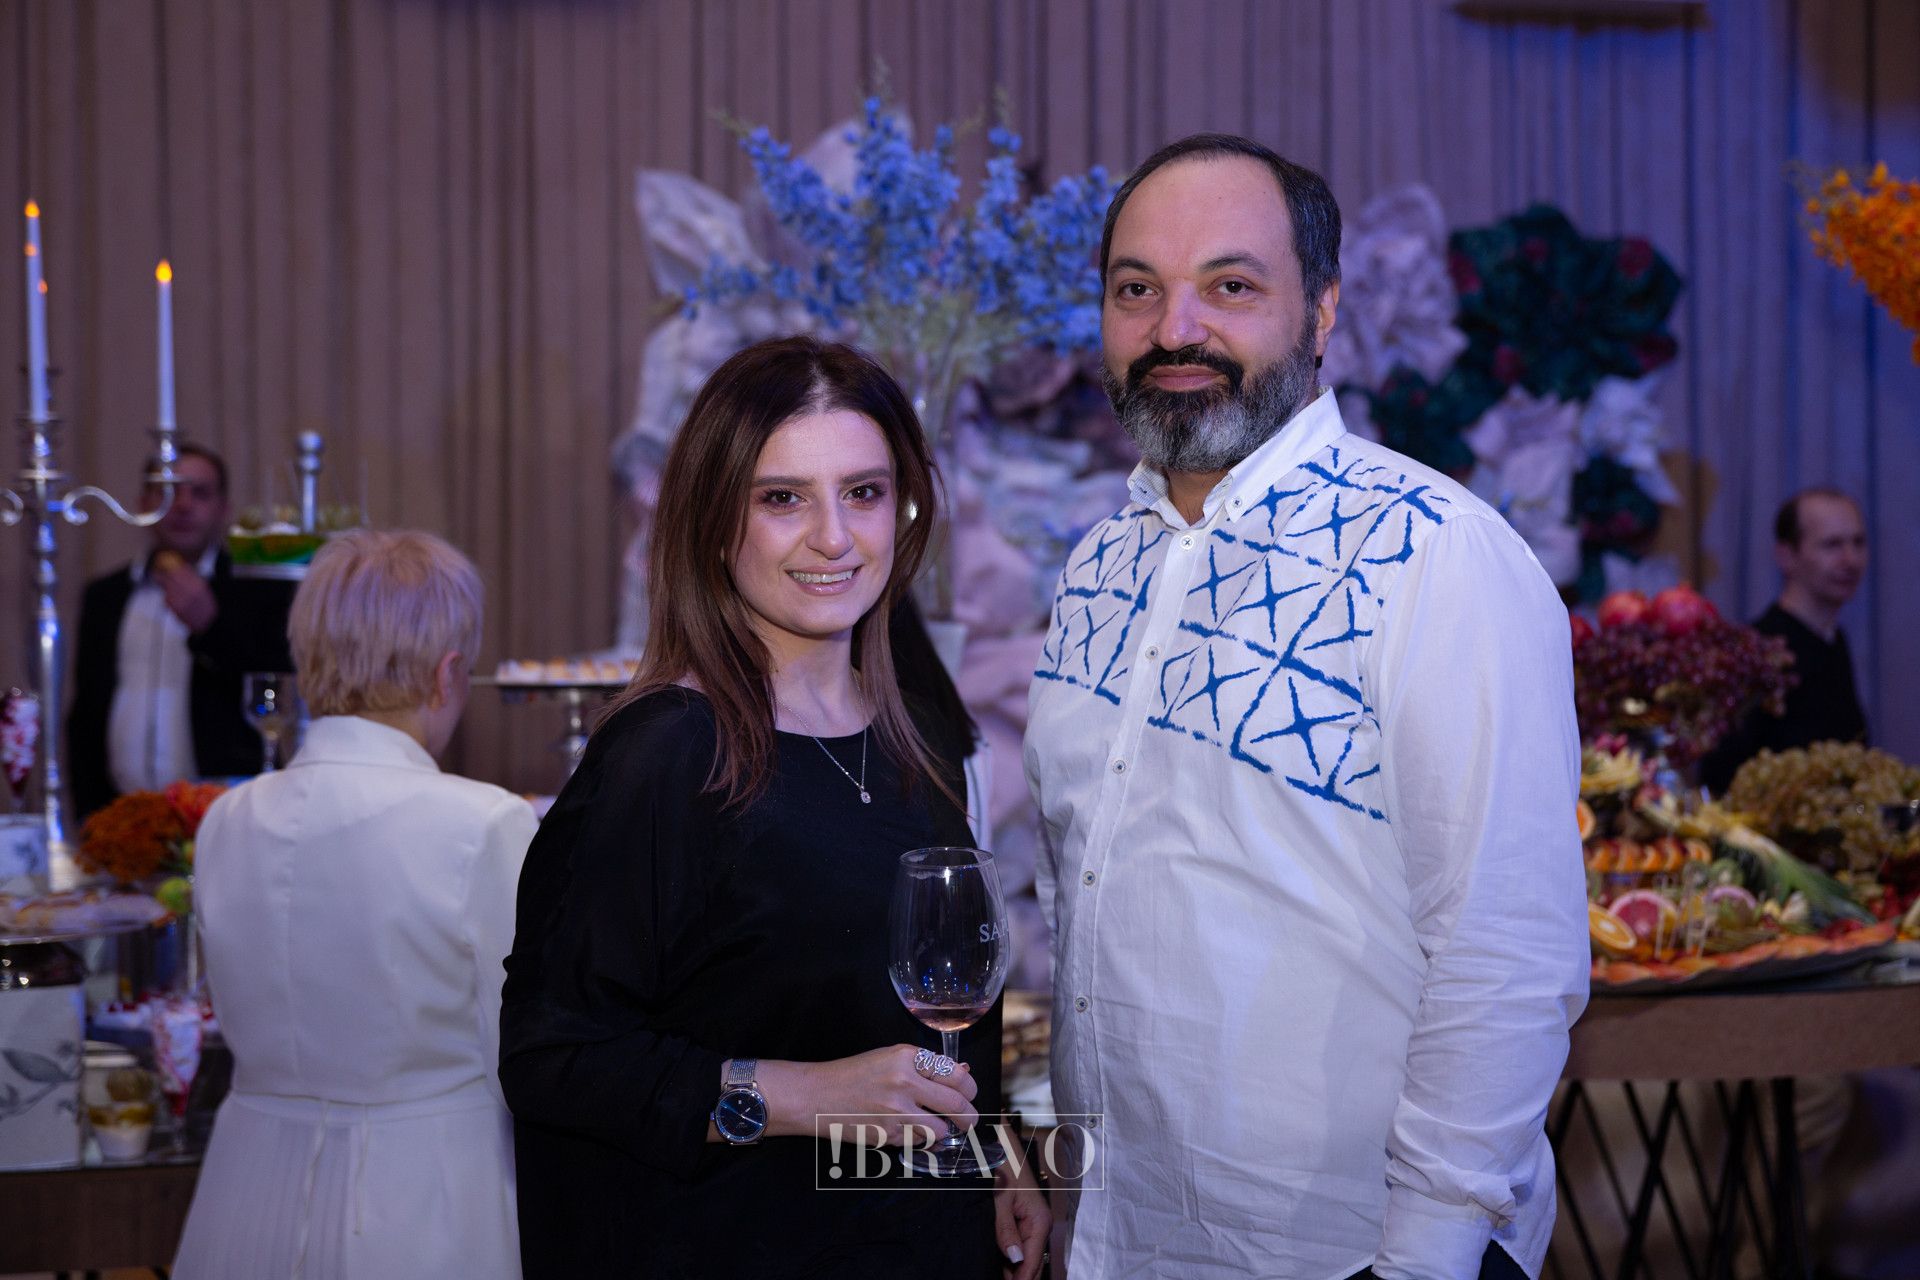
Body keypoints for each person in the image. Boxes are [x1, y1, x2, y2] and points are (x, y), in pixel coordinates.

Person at [1023, 134, 1589, 1280]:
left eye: (1231, 286)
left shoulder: (1433, 554)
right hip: (1127, 1237)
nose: (1175, 329)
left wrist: (1426, 1256)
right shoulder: (1096, 567)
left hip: (1355, 1252)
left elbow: (1506, 951)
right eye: (1137, 289)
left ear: (1323, 310)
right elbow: (1082, 904)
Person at [500, 335, 1048, 1280]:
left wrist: (994, 1149)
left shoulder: (913, 736)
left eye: (863, 493)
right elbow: (554, 1058)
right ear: (717, 523)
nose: (833, 537)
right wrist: (798, 1095)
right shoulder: (669, 754)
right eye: (783, 498)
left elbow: (938, 1009)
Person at [173, 530, 535, 1279]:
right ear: (447, 675)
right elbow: (523, 1061)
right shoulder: (483, 822)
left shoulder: (225, 820)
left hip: (246, 1190)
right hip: (424, 1198)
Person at [67, 443, 295, 818]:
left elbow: (274, 692)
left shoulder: (256, 587)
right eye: (167, 491)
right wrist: (87, 813)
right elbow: (87, 713)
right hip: (122, 816)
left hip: (226, 811)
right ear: (143, 504)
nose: (183, 505)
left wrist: (210, 626)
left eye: (200, 493)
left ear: (223, 509)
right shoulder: (105, 596)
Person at [1698, 488, 1870, 794]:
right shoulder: (1755, 651)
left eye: (1857, 542)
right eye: (1832, 545)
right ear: (1786, 556)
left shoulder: (1833, 639)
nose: (1851, 559)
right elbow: (1722, 777)